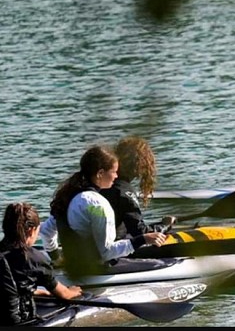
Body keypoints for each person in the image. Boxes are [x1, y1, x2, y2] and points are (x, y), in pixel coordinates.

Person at [39, 145, 168, 277]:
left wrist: (57, 258)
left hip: (73, 266)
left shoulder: (68, 195)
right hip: (95, 269)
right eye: (114, 171)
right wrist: (143, 239)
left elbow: (45, 231)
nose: (116, 176)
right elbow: (106, 252)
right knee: (162, 265)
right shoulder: (98, 205)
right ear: (100, 173)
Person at [0, 202, 82, 326]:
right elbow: (64, 294)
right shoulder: (34, 258)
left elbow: (7, 285)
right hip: (19, 322)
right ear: (32, 230)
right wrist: (74, 291)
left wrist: (35, 291)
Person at [99, 136, 175, 240]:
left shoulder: (102, 183)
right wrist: (165, 225)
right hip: (116, 247)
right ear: (140, 166)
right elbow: (140, 232)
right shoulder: (124, 192)